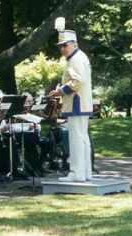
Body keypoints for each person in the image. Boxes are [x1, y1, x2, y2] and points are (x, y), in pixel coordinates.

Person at [48, 25, 93, 182]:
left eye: (65, 45)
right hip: (81, 103)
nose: (62, 48)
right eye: (60, 46)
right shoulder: (79, 57)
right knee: (83, 139)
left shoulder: (76, 59)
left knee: (76, 139)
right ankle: (85, 172)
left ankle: (76, 173)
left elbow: (77, 82)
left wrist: (60, 91)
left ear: (74, 44)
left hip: (76, 103)